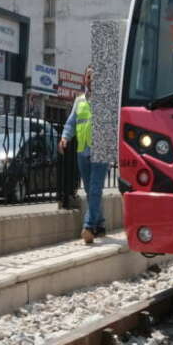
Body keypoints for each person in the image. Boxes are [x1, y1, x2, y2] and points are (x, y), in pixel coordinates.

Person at [58, 65, 107, 244]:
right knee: (90, 190)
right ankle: (100, 224)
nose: (92, 79)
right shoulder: (78, 101)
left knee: (94, 190)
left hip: (101, 151)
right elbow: (71, 123)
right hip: (82, 151)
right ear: (84, 80)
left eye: (96, 76)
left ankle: (89, 227)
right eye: (89, 76)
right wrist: (65, 138)